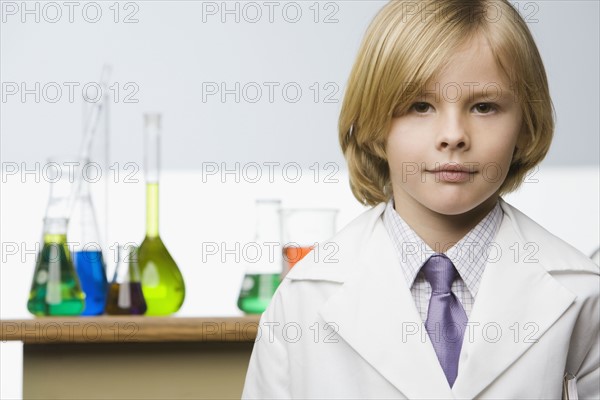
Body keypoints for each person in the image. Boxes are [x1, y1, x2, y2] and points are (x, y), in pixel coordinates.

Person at [242, 0, 600, 398]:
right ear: (374, 123)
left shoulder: (583, 295)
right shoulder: (304, 297)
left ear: (526, 126)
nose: (453, 135)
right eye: (420, 106)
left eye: (484, 106)